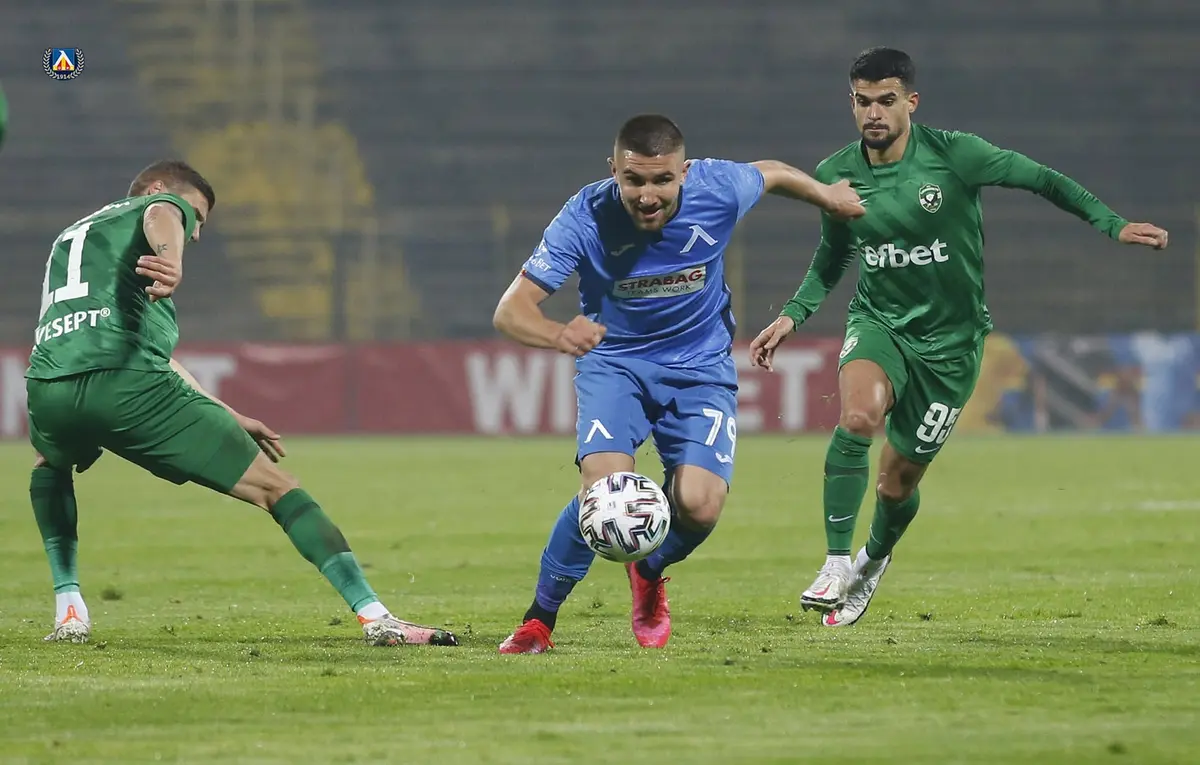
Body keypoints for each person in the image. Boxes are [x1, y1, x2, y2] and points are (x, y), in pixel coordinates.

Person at [749, 47, 1169, 627]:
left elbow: (1042, 179)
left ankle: (873, 559)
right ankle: (836, 563)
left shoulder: (957, 155)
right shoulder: (835, 173)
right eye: (863, 102)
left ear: (912, 102)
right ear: (851, 103)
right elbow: (833, 254)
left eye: (886, 101)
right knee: (858, 418)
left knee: (896, 484)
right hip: (879, 323)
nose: (874, 113)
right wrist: (793, 315)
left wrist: (1112, 223)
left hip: (952, 347)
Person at [26, 160, 459, 648]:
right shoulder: (156, 210)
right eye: (197, 217)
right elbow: (162, 214)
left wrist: (228, 413)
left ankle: (69, 609)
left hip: (48, 386)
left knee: (50, 465)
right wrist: (173, 258)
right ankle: (376, 616)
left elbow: (148, 354)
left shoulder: (72, 239)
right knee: (277, 488)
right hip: (125, 384)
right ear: (157, 188)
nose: (195, 233)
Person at [492, 114, 865, 653]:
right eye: (634, 180)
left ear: (684, 172)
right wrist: (556, 333)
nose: (647, 195)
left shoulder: (718, 188)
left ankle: (649, 571)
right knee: (604, 492)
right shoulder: (585, 215)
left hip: (700, 367)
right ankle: (539, 621)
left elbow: (773, 173)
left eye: (662, 180)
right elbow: (510, 310)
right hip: (616, 363)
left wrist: (827, 196)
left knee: (700, 504)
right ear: (613, 171)